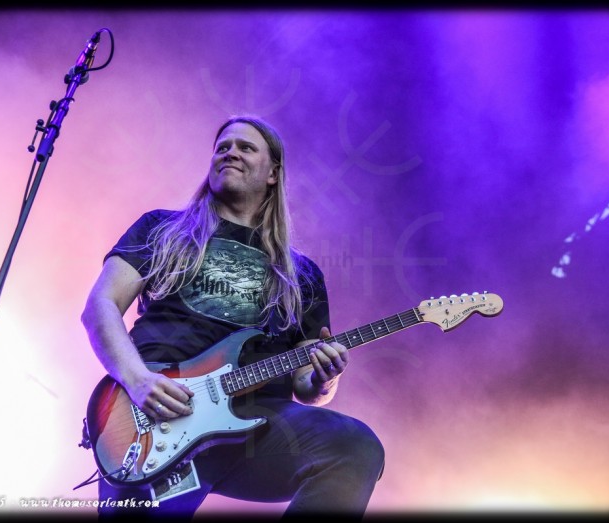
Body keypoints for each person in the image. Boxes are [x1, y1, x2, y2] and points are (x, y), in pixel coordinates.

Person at [81, 116, 384, 520]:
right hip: (159, 413)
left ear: (273, 173)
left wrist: (324, 377)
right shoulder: (161, 228)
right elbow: (100, 306)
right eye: (222, 147)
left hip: (257, 427)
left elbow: (307, 386)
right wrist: (137, 381)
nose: (230, 153)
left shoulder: (302, 275)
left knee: (354, 446)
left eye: (245, 147)